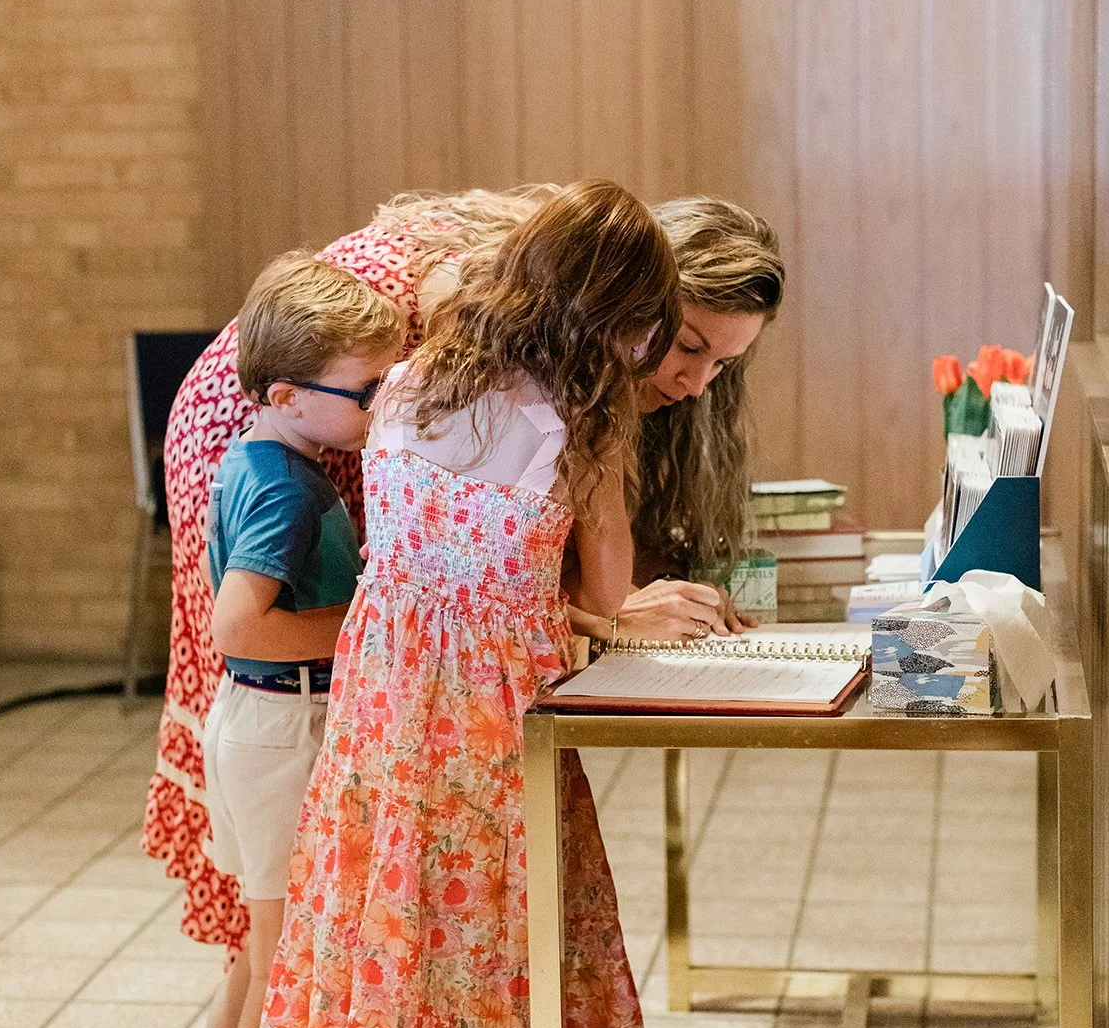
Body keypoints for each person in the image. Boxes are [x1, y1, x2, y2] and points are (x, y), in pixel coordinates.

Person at [246, 182, 680, 1028]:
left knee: (378, 963)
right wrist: (646, 610)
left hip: (384, 727)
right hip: (493, 738)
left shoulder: (414, 376)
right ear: (617, 314)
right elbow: (605, 593)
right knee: (494, 960)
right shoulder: (586, 425)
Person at [143, 188, 782, 967]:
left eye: (724, 364)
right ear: (629, 316)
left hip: (380, 683)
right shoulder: (460, 369)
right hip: (287, 418)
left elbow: (450, 574)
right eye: (681, 345)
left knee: (344, 893)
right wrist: (601, 612)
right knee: (296, 879)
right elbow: (457, 582)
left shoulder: (432, 376)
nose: (696, 382)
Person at [150, 255, 404, 1028]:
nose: (381, 406)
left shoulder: (262, 457)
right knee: (280, 953)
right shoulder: (288, 491)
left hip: (265, 725)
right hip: (283, 723)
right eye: (367, 389)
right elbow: (238, 625)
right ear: (290, 392)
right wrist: (369, 625)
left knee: (266, 951)